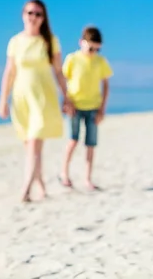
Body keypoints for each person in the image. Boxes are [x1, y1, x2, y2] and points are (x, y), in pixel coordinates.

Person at [0, 0, 73, 202]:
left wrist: (67, 97)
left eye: (38, 14)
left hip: (43, 97)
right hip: (21, 98)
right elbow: (9, 72)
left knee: (34, 143)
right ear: (23, 15)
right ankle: (40, 184)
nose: (34, 17)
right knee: (30, 146)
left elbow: (59, 72)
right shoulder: (15, 41)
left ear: (43, 18)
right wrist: (3, 100)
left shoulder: (50, 41)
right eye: (30, 13)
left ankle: (26, 189)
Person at [59, 26, 113, 191]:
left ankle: (87, 179)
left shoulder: (101, 61)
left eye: (97, 49)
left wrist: (102, 109)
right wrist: (66, 102)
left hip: (93, 108)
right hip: (75, 106)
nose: (93, 52)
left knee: (91, 144)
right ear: (81, 42)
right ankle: (64, 174)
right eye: (91, 48)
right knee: (73, 140)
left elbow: (106, 84)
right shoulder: (72, 59)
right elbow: (63, 81)